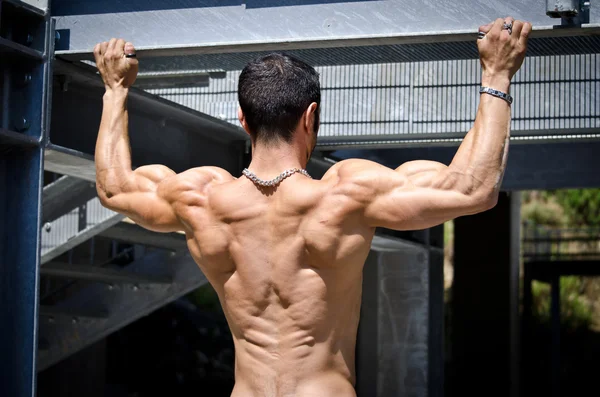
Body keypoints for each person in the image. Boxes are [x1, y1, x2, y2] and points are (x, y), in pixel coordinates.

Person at [93, 16, 531, 397]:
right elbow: (472, 189)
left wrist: (115, 90)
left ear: (243, 120)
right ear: (310, 116)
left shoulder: (200, 198)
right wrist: (496, 77)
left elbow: (115, 189)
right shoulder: (345, 196)